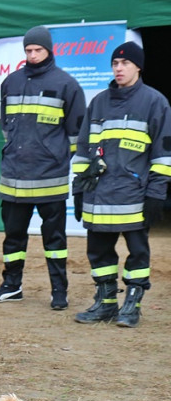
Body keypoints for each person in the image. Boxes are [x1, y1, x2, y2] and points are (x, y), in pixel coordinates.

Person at [0, 26, 86, 310]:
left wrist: (52, 156)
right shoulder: (10, 82)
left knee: (55, 240)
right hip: (13, 178)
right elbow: (7, 126)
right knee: (12, 237)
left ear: (49, 50)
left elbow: (77, 135)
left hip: (49, 179)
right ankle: (11, 286)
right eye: (28, 50)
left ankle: (59, 291)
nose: (32, 55)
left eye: (37, 50)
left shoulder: (68, 85)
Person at [71, 41, 171, 327]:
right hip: (97, 196)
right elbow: (83, 150)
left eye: (125, 63)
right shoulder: (99, 102)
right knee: (98, 251)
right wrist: (79, 190)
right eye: (115, 63)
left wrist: (156, 194)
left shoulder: (155, 102)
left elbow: (164, 154)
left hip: (134, 197)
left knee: (138, 252)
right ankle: (105, 303)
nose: (119, 68)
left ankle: (132, 306)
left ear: (138, 67)